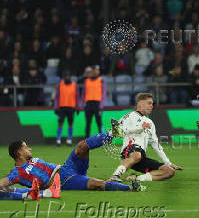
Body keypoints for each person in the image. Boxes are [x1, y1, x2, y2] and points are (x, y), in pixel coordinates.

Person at [0, 130, 144, 192]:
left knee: (82, 146)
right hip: (63, 181)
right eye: (26, 148)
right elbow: (3, 183)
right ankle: (132, 188)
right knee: (96, 184)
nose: (29, 149)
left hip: (67, 167)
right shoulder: (17, 173)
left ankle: (113, 133)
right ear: (18, 152)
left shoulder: (31, 160)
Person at [108, 93, 182, 182]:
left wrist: (168, 163)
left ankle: (136, 179)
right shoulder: (130, 115)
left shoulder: (150, 122)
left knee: (169, 172)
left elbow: (156, 144)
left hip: (141, 155)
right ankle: (115, 176)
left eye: (152, 104)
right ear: (140, 104)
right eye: (149, 103)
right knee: (136, 155)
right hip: (130, 149)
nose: (152, 106)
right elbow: (118, 131)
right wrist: (139, 128)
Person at [54, 71, 80, 146]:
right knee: (60, 123)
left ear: (70, 77)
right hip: (62, 107)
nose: (67, 77)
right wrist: (56, 107)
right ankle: (58, 140)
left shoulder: (74, 85)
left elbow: (77, 97)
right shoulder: (60, 85)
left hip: (71, 107)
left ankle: (69, 140)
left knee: (70, 124)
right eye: (66, 76)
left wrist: (78, 107)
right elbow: (57, 97)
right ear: (63, 77)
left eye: (68, 76)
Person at [82, 65, 106, 138]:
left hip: (97, 104)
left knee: (99, 122)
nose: (95, 72)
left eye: (97, 70)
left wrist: (101, 105)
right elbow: (83, 93)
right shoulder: (86, 81)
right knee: (88, 122)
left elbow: (104, 93)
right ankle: (86, 139)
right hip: (88, 104)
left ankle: (103, 139)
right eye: (94, 70)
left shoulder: (101, 81)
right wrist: (83, 104)